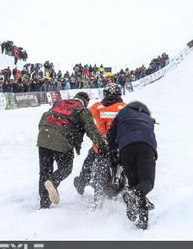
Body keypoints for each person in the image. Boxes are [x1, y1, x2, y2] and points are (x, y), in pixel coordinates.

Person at [36, 92, 106, 209]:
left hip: (43, 136)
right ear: (86, 101)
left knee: (44, 171)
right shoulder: (82, 110)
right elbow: (91, 130)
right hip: (63, 139)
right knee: (66, 168)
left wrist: (44, 131)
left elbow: (44, 116)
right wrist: (101, 146)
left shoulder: (59, 103)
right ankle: (52, 182)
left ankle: (44, 203)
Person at [107, 101, 157, 229]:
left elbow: (111, 133)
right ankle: (136, 204)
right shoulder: (148, 118)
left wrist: (113, 150)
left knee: (135, 183)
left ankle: (142, 220)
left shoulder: (122, 113)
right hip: (146, 147)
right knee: (146, 182)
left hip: (126, 149)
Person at [74, 83, 127, 201]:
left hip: (101, 144)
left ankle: (82, 182)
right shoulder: (125, 107)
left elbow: (84, 114)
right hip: (121, 144)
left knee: (89, 160)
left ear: (106, 94)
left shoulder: (97, 106)